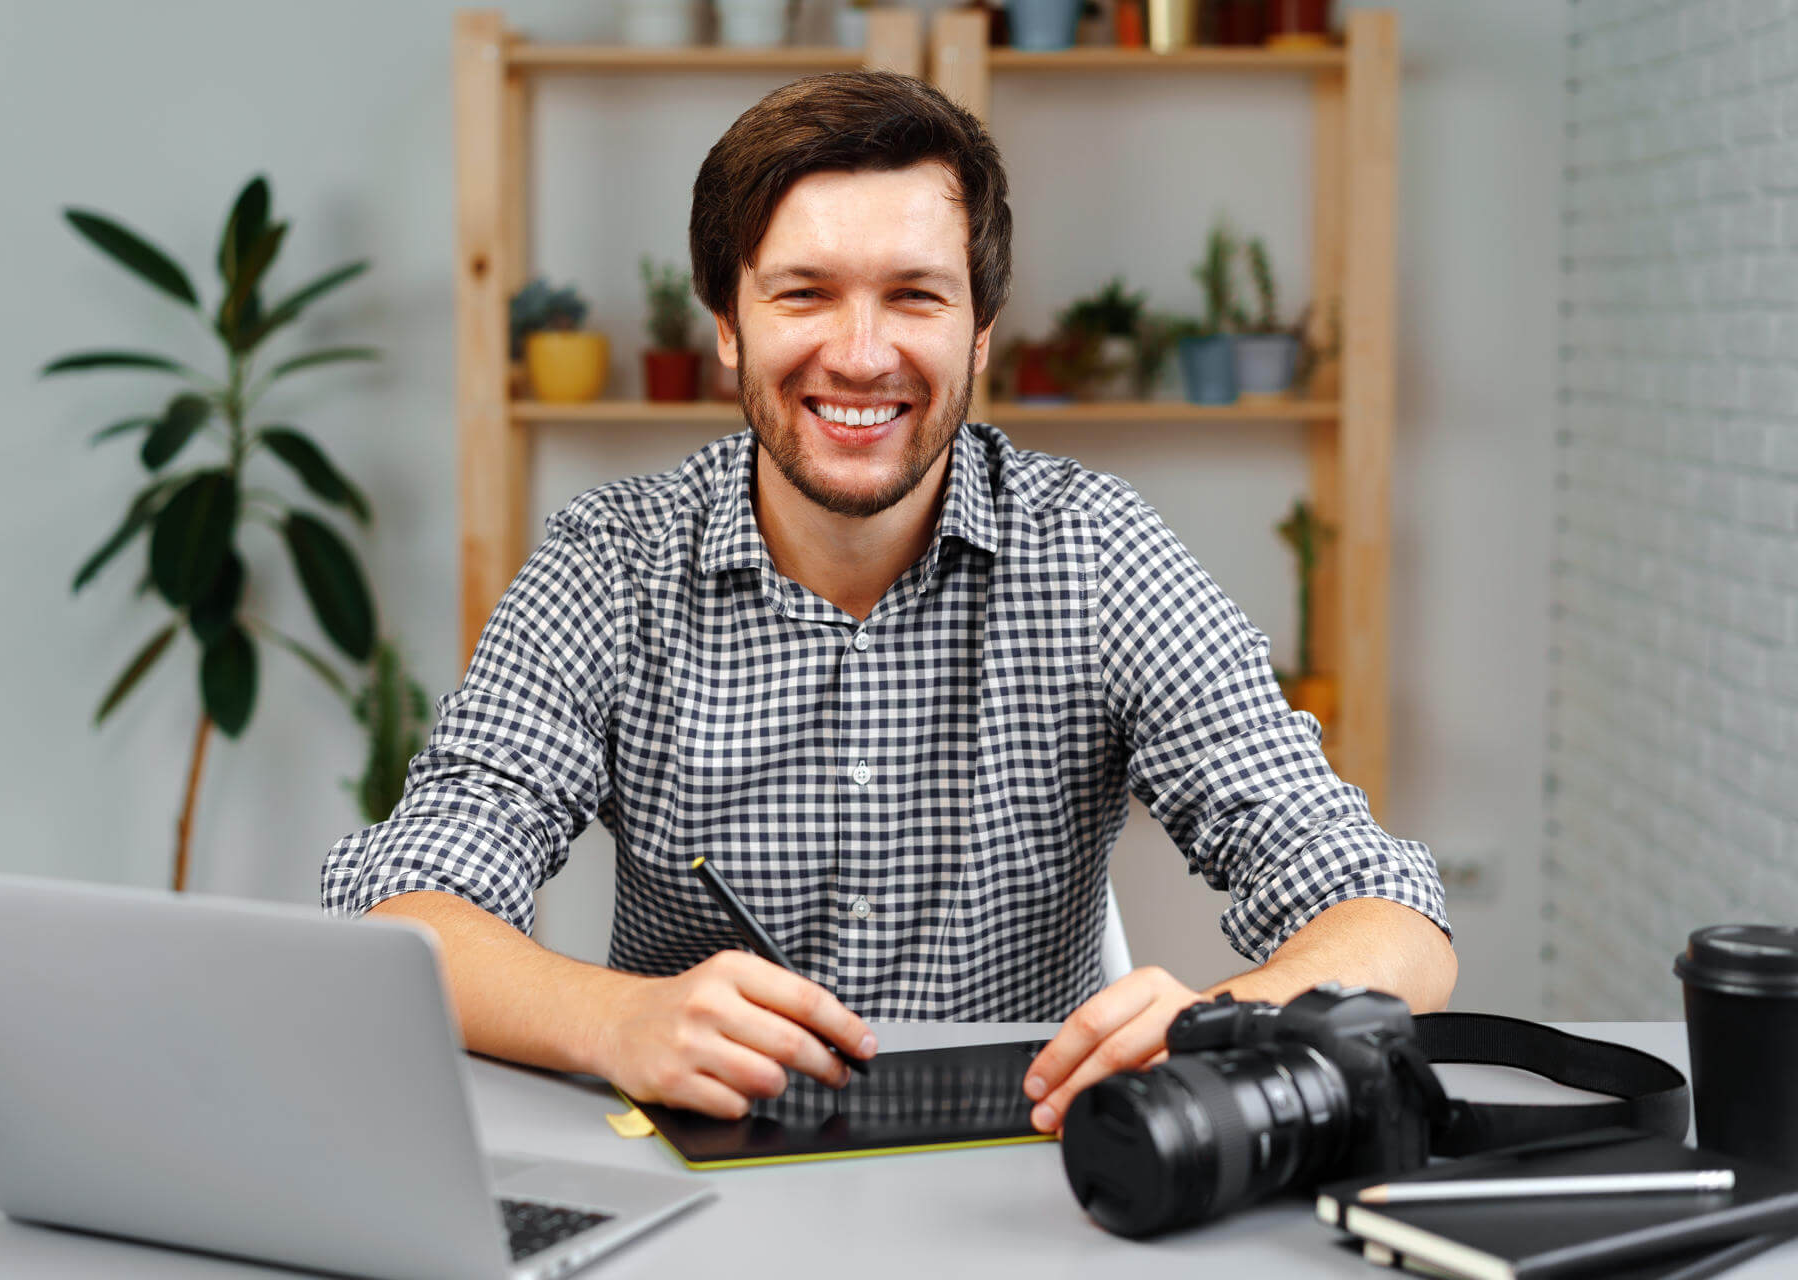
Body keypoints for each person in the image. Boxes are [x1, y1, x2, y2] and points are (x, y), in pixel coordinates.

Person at [323, 71, 1455, 1134]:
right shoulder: (607, 564)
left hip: (1032, 1181)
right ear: (727, 323)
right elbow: (412, 907)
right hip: (698, 1173)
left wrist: (1229, 1025)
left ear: (981, 331)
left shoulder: (1099, 552)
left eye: (915, 296)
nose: (861, 355)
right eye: (803, 293)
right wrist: (615, 1017)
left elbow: (1387, 914)